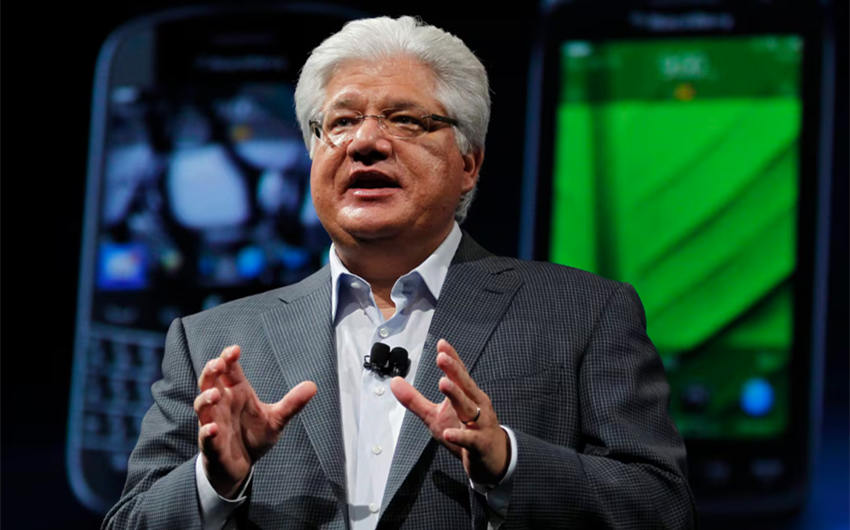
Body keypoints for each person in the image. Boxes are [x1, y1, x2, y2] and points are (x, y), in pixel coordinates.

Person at [104, 16, 695, 529]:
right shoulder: (210, 342)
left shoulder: (583, 313)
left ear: (469, 161)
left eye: (404, 120)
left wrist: (507, 461)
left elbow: (662, 509)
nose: (364, 142)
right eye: (340, 122)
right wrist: (214, 481)